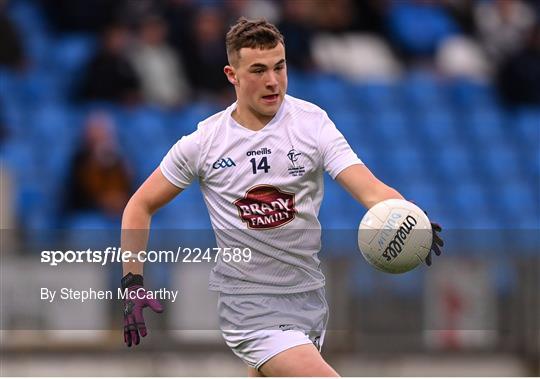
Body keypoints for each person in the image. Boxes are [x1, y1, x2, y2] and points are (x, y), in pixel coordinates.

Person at [120, 18, 443, 377]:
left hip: (307, 298)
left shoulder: (312, 123)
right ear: (233, 75)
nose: (273, 81)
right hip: (248, 306)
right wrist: (132, 281)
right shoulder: (204, 143)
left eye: (279, 66)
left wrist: (406, 214)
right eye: (258, 70)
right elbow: (140, 204)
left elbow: (369, 189)